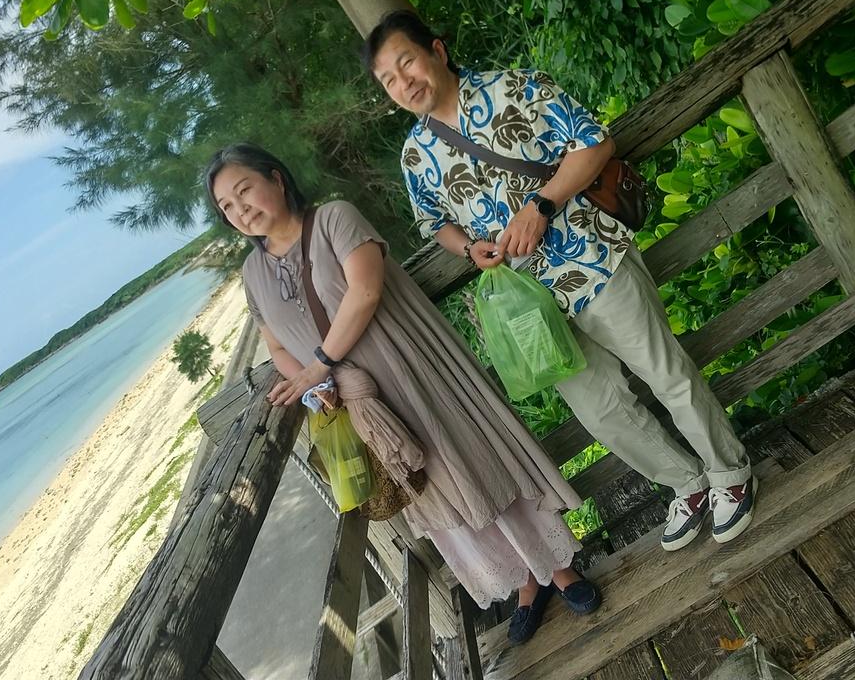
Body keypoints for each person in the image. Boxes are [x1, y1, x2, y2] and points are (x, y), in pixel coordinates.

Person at [363, 10, 758, 556]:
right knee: (601, 411)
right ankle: (687, 483)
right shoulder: (414, 155)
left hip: (593, 258)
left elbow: (594, 144)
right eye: (388, 80)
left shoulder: (513, 87)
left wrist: (541, 206)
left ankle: (730, 472)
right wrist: (468, 248)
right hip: (531, 305)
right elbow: (435, 222)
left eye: (406, 63)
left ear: (437, 51)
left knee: (665, 373)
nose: (403, 83)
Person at [206, 143, 601, 644]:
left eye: (245, 191)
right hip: (363, 405)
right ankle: (527, 583)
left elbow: (365, 292)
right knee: (433, 492)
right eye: (227, 206)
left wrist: (318, 367)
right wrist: (315, 384)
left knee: (473, 463)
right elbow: (277, 346)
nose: (240, 210)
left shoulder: (334, 218)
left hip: (412, 371)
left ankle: (559, 569)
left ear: (276, 179)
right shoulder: (252, 274)